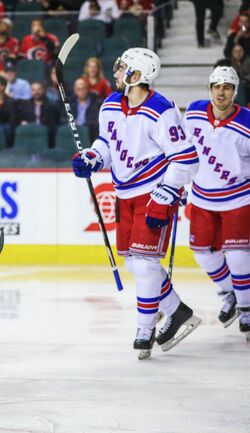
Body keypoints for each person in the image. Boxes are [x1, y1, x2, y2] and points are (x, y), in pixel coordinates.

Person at [71, 48, 202, 359]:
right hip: (124, 192)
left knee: (144, 264)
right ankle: (176, 310)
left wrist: (168, 191)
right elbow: (107, 142)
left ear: (137, 75)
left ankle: (145, 330)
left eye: (122, 68)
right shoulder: (110, 104)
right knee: (134, 262)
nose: (115, 73)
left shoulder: (161, 110)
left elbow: (186, 158)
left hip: (154, 191)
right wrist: (93, 157)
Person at [183, 67, 250, 338]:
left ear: (234, 91)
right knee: (202, 253)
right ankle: (231, 294)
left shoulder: (246, 122)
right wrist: (177, 182)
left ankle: (246, 310)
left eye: (227, 87)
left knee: (237, 257)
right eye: (216, 86)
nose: (221, 92)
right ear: (209, 89)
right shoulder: (194, 113)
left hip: (238, 198)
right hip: (202, 197)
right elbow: (183, 150)